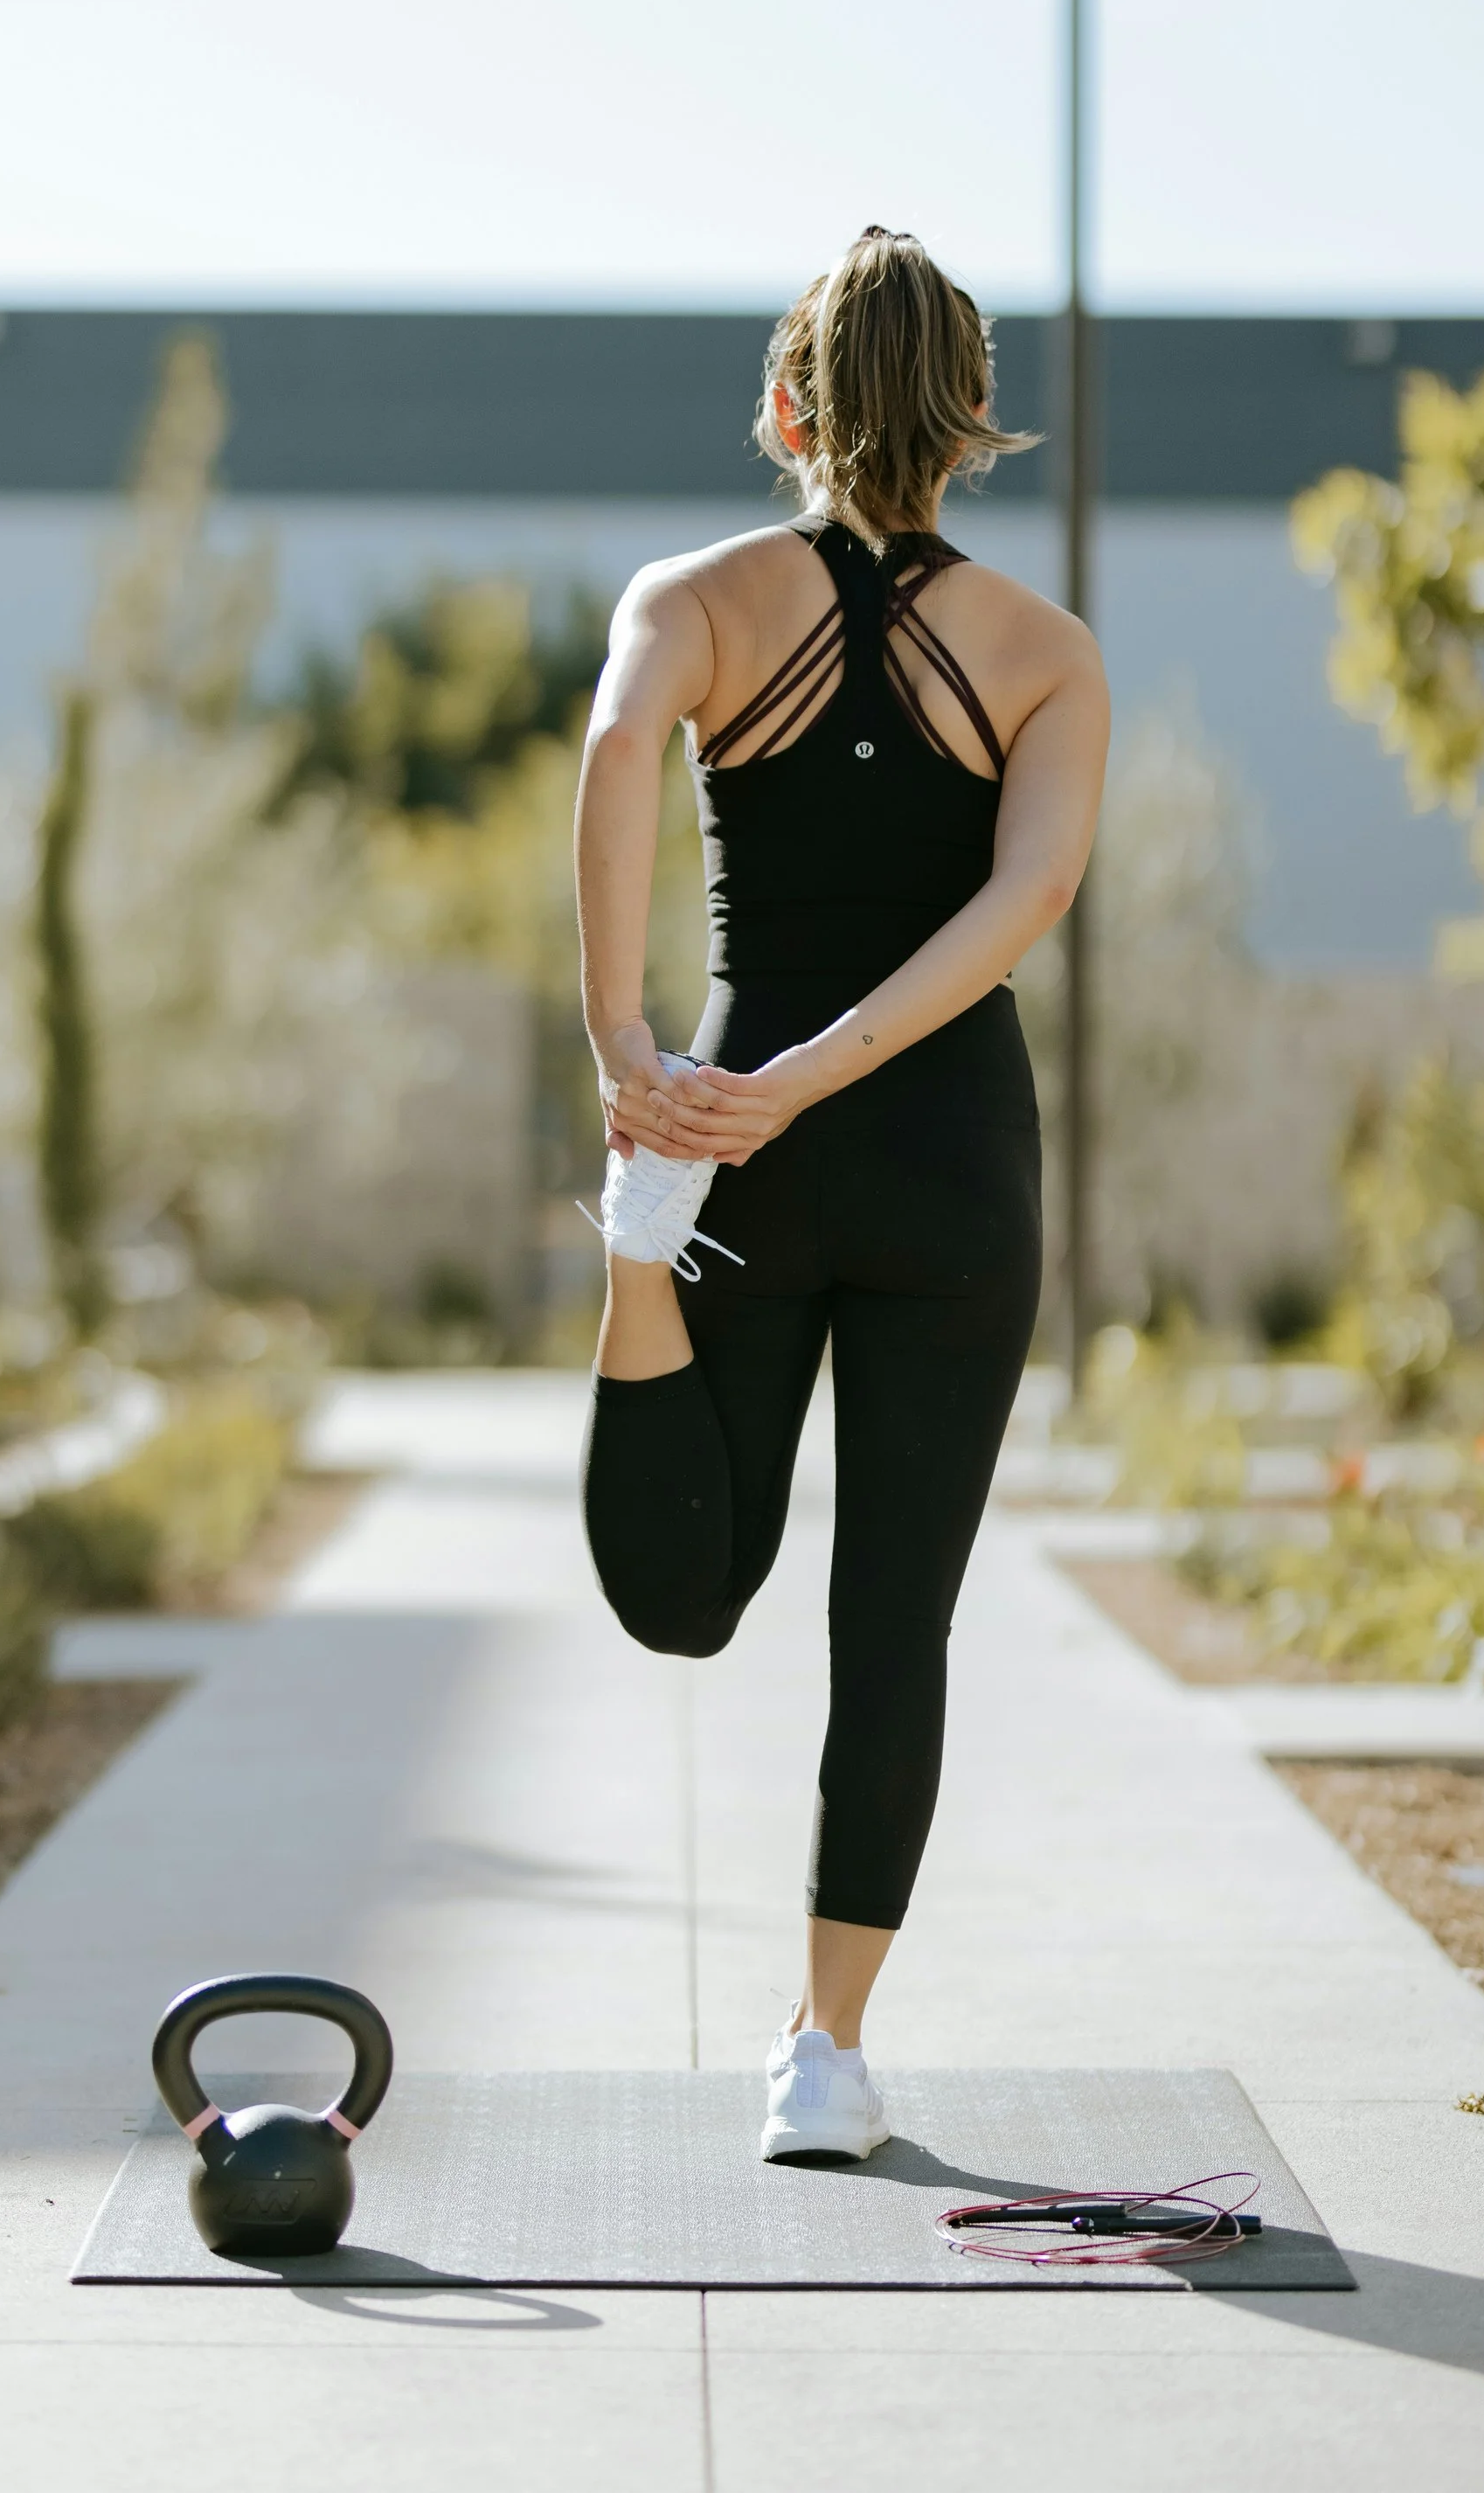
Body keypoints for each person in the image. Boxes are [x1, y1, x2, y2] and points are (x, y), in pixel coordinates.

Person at [573, 224, 1107, 2163]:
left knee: (686, 1592)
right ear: (968, 425)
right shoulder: (1045, 656)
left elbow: (619, 738)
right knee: (896, 1623)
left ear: (783, 405)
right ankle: (829, 2050)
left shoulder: (694, 597)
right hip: (950, 1161)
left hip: (725, 1146)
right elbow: (1017, 902)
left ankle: (623, 1259)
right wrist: (802, 1086)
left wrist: (634, 1051)